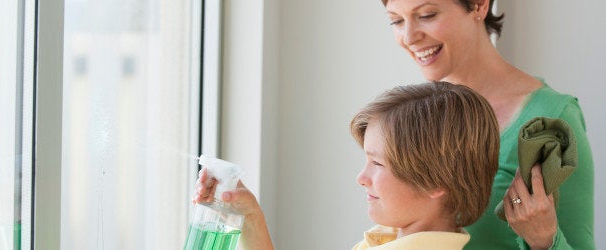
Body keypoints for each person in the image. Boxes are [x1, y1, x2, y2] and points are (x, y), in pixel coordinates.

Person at [375, 0, 595, 249]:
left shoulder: (551, 122)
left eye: (426, 15)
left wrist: (544, 240)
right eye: (396, 20)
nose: (409, 36)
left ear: (479, 3)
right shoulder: (412, 115)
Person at [193, 81, 500, 249]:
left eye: (377, 163)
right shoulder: (392, 239)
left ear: (436, 181)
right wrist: (251, 218)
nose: (362, 177)